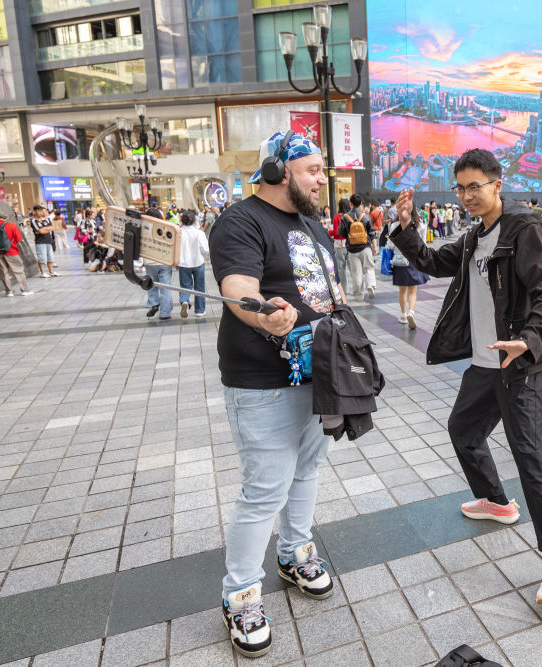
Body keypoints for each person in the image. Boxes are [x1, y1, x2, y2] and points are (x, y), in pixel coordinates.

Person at [390, 148, 542, 605]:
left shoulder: (523, 227)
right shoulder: (475, 236)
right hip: (483, 362)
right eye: (461, 188)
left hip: (519, 363)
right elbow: (433, 262)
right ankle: (496, 501)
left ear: (497, 185)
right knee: (463, 431)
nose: (467, 196)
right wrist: (407, 226)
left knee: (528, 454)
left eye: (475, 187)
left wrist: (527, 340)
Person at [209, 131, 341, 658]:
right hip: (263, 382)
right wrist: (265, 314)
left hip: (321, 375)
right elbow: (239, 288)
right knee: (265, 490)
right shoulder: (240, 220)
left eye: (322, 169)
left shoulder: (313, 224)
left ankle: (295, 553)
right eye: (313, 170)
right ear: (278, 171)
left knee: (307, 471)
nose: (322, 179)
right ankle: (240, 595)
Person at [389, 215, 428, 328]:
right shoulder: (420, 225)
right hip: (414, 260)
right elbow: (423, 244)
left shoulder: (395, 225)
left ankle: (403, 315)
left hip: (399, 261)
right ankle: (411, 312)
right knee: (412, 291)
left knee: (402, 290)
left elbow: (390, 245)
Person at [339, 193, 377, 300]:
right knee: (369, 267)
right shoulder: (365, 216)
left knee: (356, 273)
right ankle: (371, 285)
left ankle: (358, 295)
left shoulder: (345, 217)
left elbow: (341, 232)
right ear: (360, 203)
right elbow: (372, 233)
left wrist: (349, 235)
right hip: (366, 247)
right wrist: (374, 247)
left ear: (350, 204)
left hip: (352, 249)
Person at [0, 212, 32, 297]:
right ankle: (25, 290)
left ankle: (9, 291)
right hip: (11, 251)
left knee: (3, 272)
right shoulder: (11, 225)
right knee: (18, 271)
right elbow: (18, 239)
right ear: (6, 217)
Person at [176, 210, 209, 318]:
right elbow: (205, 250)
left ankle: (185, 300)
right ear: (194, 220)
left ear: (182, 220)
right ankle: (199, 310)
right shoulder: (199, 233)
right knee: (199, 287)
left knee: (185, 286)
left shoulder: (178, 232)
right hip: (198, 262)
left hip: (183, 263)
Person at [143, 207, 173, 320]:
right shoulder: (165, 228)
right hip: (164, 261)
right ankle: (165, 313)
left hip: (149, 262)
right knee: (166, 287)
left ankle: (153, 305)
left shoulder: (144, 229)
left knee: (151, 286)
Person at [30, 205, 59, 278]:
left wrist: (45, 229)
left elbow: (52, 227)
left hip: (49, 240)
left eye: (41, 211)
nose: (41, 213)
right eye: (39, 211)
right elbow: (40, 231)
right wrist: (46, 229)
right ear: (35, 212)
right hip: (40, 242)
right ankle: (43, 273)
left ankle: (51, 272)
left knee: (50, 257)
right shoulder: (34, 220)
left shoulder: (45, 219)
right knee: (42, 257)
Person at [329, 198, 350, 288]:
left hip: (339, 245)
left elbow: (336, 232)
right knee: (353, 268)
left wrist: (328, 231)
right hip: (350, 244)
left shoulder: (337, 217)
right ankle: (358, 289)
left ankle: (344, 290)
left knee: (341, 269)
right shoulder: (350, 216)